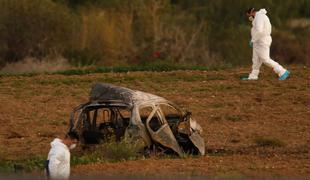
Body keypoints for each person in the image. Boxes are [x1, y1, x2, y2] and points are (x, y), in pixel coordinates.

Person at [243, 7, 290, 80]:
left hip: (262, 41)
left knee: (265, 59)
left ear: (252, 13)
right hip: (257, 41)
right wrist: (254, 40)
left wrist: (253, 40)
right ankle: (253, 76)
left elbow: (259, 31)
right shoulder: (257, 17)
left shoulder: (259, 17)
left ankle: (282, 71)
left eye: (249, 15)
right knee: (256, 59)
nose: (249, 17)